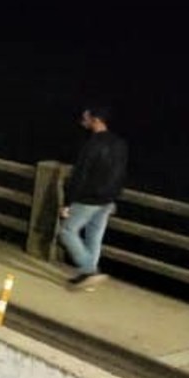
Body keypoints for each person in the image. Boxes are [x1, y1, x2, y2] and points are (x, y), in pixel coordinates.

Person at [59, 106, 128, 291]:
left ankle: (90, 271)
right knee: (94, 237)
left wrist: (68, 201)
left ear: (96, 120)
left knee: (67, 231)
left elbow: (80, 175)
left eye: (87, 117)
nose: (83, 119)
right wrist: (114, 198)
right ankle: (87, 280)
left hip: (89, 198)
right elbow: (120, 174)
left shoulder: (92, 144)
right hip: (107, 200)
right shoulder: (120, 144)